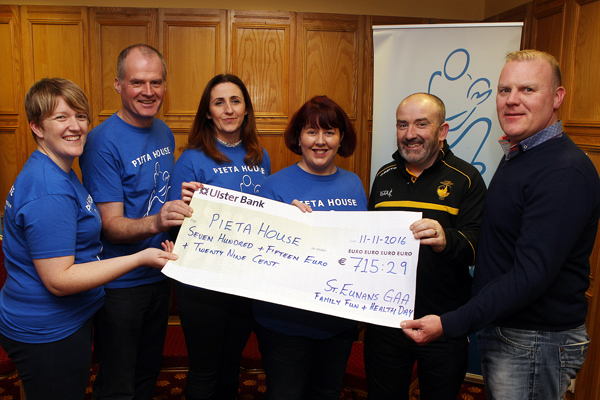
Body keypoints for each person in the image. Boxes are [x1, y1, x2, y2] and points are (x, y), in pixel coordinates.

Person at [401, 50, 600, 400]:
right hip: (512, 331)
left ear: (557, 98)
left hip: (533, 341)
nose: (511, 100)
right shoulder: (525, 154)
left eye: (527, 90)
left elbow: (531, 275)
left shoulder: (562, 171)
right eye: (504, 90)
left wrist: (449, 322)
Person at [0, 78, 177, 400]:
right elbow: (59, 280)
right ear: (37, 127)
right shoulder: (48, 189)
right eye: (61, 117)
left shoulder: (58, 171)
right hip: (48, 329)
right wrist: (139, 258)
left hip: (60, 322)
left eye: (80, 116)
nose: (75, 126)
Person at [79, 44, 193, 400]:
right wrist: (158, 221)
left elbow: (160, 193)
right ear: (118, 84)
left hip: (159, 273)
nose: (148, 91)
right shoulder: (101, 142)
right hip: (121, 285)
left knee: (147, 373)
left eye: (156, 82)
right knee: (118, 383)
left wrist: (191, 196)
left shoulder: (163, 132)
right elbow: (111, 225)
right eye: (137, 82)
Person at [364, 93, 486, 400]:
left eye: (421, 124)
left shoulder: (466, 179)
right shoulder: (383, 176)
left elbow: (477, 246)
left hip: (442, 324)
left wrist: (447, 240)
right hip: (386, 322)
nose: (410, 134)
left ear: (442, 131)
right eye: (402, 124)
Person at [252, 95, 366, 400]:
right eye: (311, 131)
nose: (320, 141)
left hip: (338, 323)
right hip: (285, 324)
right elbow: (257, 259)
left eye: (330, 132)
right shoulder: (274, 186)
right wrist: (287, 229)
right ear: (298, 137)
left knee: (328, 393)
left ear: (341, 138)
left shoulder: (354, 184)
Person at [170, 74, 271, 400]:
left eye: (235, 101)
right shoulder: (190, 160)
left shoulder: (260, 156)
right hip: (202, 283)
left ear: (246, 109)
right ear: (208, 112)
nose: (228, 109)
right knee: (204, 369)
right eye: (219, 102)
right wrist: (189, 206)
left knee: (231, 366)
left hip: (244, 280)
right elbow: (175, 224)